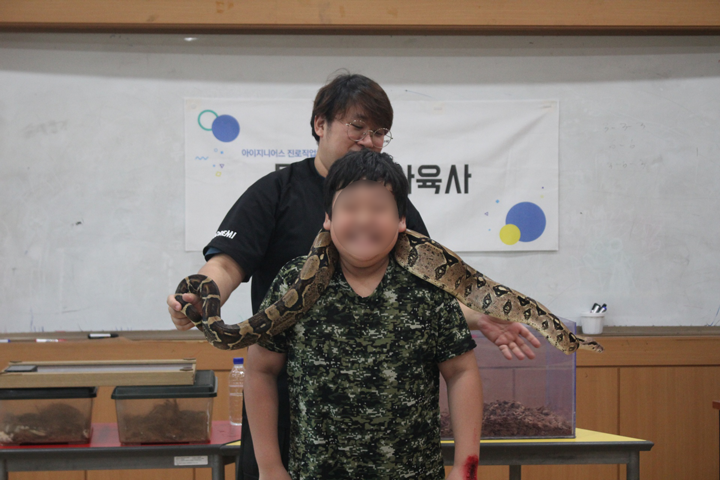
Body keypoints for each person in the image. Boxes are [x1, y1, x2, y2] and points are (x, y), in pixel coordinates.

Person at [167, 72, 540, 479]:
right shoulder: (275, 192)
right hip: (288, 402)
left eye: (378, 132)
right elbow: (225, 265)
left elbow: (426, 295)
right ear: (320, 124)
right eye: (357, 127)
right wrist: (202, 297)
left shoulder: (397, 207)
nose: (368, 140)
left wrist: (477, 315)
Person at [246, 150, 483, 480]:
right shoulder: (293, 282)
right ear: (328, 218)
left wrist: (465, 467)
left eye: (378, 208)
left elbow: (461, 374)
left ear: (401, 220)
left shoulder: (429, 287)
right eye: (350, 207)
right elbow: (260, 370)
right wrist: (269, 466)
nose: (363, 219)